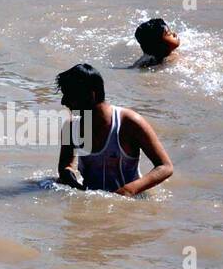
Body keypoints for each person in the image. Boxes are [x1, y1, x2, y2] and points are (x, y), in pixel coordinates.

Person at [55, 63, 173, 194]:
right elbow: (65, 166)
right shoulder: (71, 127)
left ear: (91, 95)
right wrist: (73, 184)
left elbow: (165, 167)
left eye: (69, 95)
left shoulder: (129, 122)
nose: (63, 102)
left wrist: (128, 190)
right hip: (91, 201)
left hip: (130, 204)